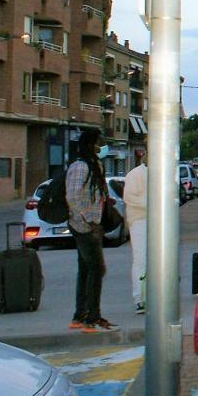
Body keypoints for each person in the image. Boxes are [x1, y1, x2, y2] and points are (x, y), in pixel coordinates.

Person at [67, 128, 119, 333]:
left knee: (86, 270)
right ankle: (92, 318)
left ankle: (80, 316)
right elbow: (73, 198)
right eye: (99, 142)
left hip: (90, 224)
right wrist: (88, 221)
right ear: (91, 145)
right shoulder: (80, 167)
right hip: (84, 227)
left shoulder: (93, 165)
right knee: (97, 269)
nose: (103, 146)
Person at [123, 154, 148, 314]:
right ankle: (139, 298)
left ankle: (149, 295)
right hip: (140, 220)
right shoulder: (135, 175)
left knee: (151, 260)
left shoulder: (161, 173)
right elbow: (129, 198)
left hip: (154, 220)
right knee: (141, 259)